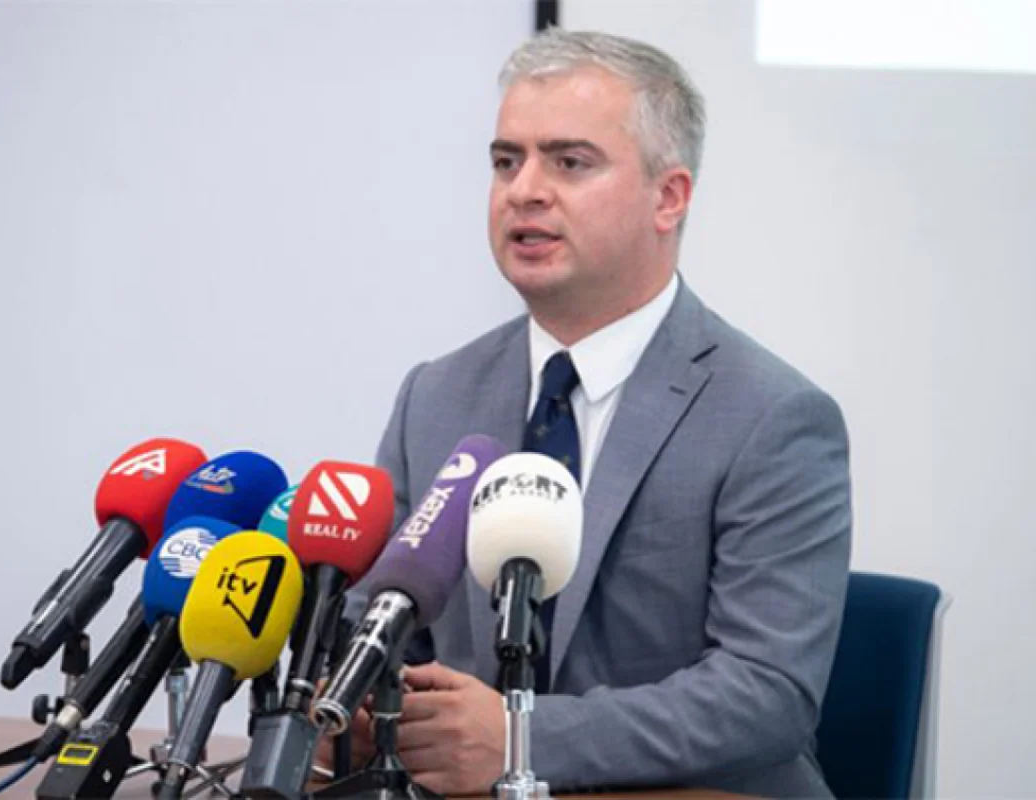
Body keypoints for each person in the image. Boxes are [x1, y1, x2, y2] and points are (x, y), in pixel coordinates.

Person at [325, 28, 852, 799]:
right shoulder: (436, 395)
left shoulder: (773, 416)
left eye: (569, 162)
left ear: (668, 197)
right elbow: (382, 620)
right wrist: (364, 702)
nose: (524, 190)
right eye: (506, 161)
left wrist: (522, 740)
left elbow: (767, 693)